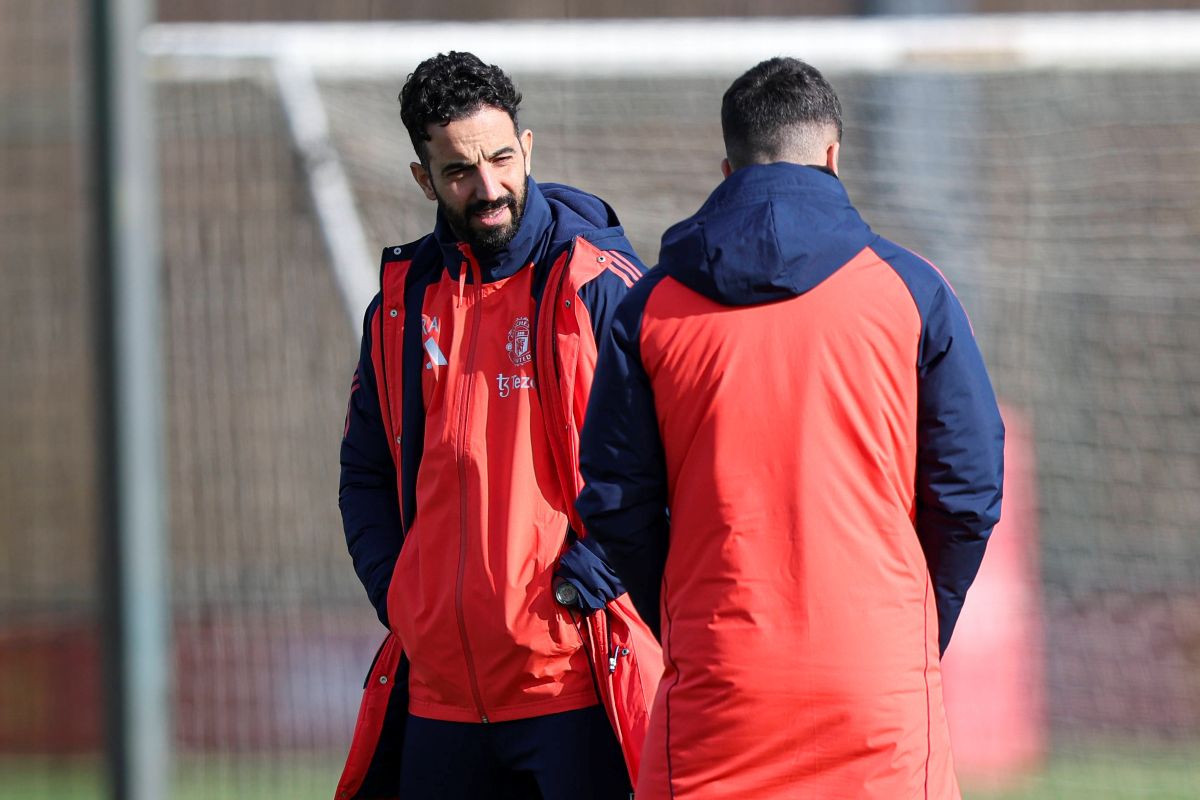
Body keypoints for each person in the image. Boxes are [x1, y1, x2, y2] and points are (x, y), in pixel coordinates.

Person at [576, 57, 1005, 799]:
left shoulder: (650, 309)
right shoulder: (912, 290)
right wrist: (914, 630)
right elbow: (968, 492)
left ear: (727, 165)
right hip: (877, 683)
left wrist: (688, 616)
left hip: (719, 678)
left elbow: (616, 503)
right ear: (833, 155)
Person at [335, 51, 657, 800]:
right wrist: (404, 598)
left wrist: (596, 581)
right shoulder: (399, 303)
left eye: (503, 159)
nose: (489, 189)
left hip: (570, 688)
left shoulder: (599, 286)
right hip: (439, 698)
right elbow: (365, 473)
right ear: (423, 178)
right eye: (458, 172)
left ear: (528, 147)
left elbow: (673, 459)